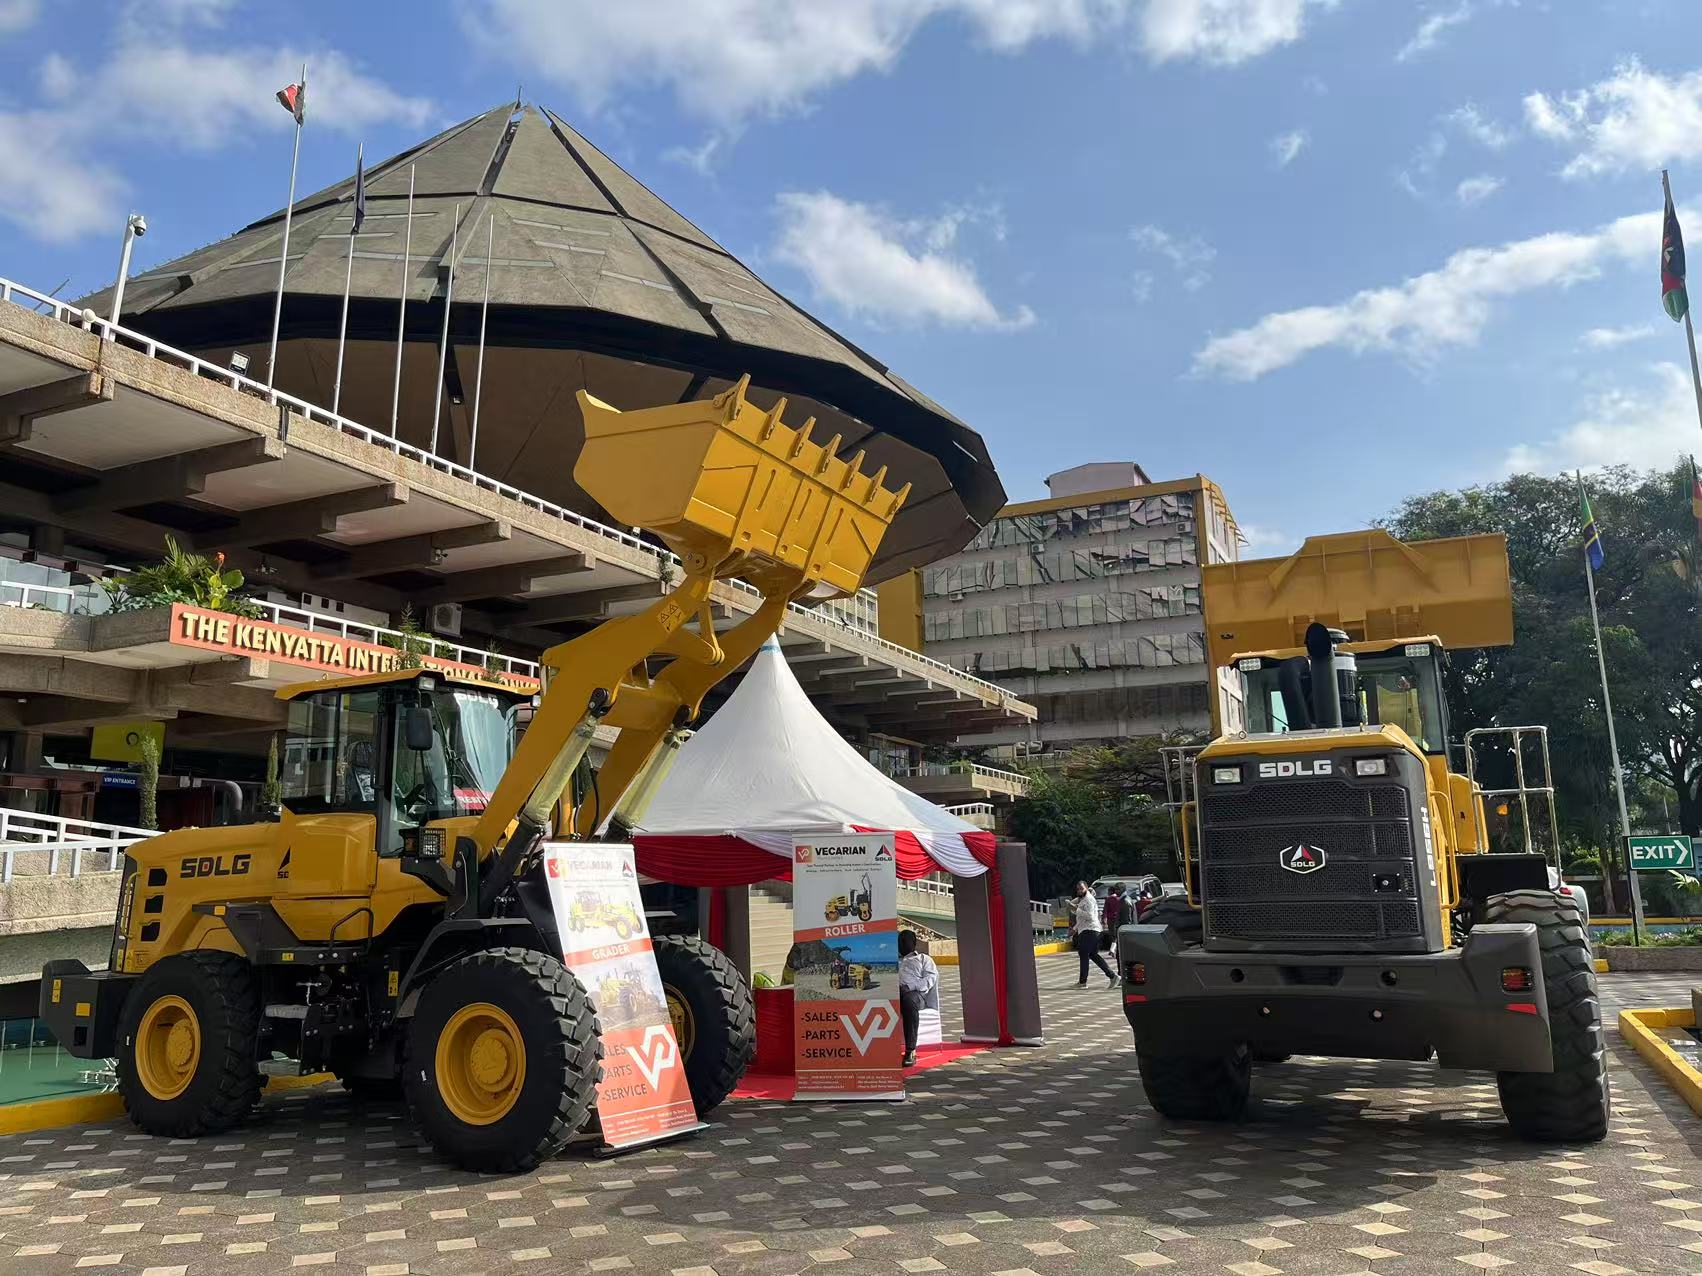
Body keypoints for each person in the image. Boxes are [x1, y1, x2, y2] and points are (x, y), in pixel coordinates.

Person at [897, 929, 938, 1067]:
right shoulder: (893, 961)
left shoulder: (924, 959)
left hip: (915, 994)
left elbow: (930, 978)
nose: (902, 944)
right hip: (895, 993)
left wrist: (910, 986)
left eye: (905, 941)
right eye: (900, 941)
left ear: (914, 943)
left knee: (908, 1001)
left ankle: (910, 1050)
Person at [1070, 881, 1117, 987]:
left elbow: (1090, 916)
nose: (1079, 891)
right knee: (1092, 954)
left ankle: (1083, 982)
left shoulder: (1089, 900)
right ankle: (1113, 976)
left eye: (1081, 888)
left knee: (1084, 953)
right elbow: (1082, 919)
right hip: (1087, 929)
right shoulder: (1083, 900)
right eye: (1078, 889)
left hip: (1090, 930)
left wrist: (1077, 910)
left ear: (1086, 888)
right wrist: (1075, 928)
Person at [1099, 883, 1126, 952]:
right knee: (1117, 933)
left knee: (1112, 934)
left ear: (1110, 891)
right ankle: (1116, 948)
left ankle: (1112, 949)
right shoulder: (1119, 899)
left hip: (1110, 919)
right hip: (1118, 919)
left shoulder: (1108, 899)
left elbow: (1105, 910)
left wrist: (1104, 919)